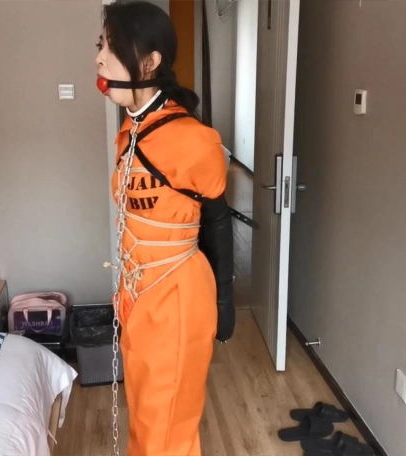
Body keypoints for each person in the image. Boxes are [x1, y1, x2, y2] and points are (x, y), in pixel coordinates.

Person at [95, 2, 234, 455]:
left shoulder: (193, 141)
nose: (99, 59)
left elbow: (217, 218)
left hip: (176, 300)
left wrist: (225, 300)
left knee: (167, 433)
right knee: (144, 421)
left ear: (150, 62)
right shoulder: (130, 130)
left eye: (112, 48)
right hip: (137, 297)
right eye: (100, 46)